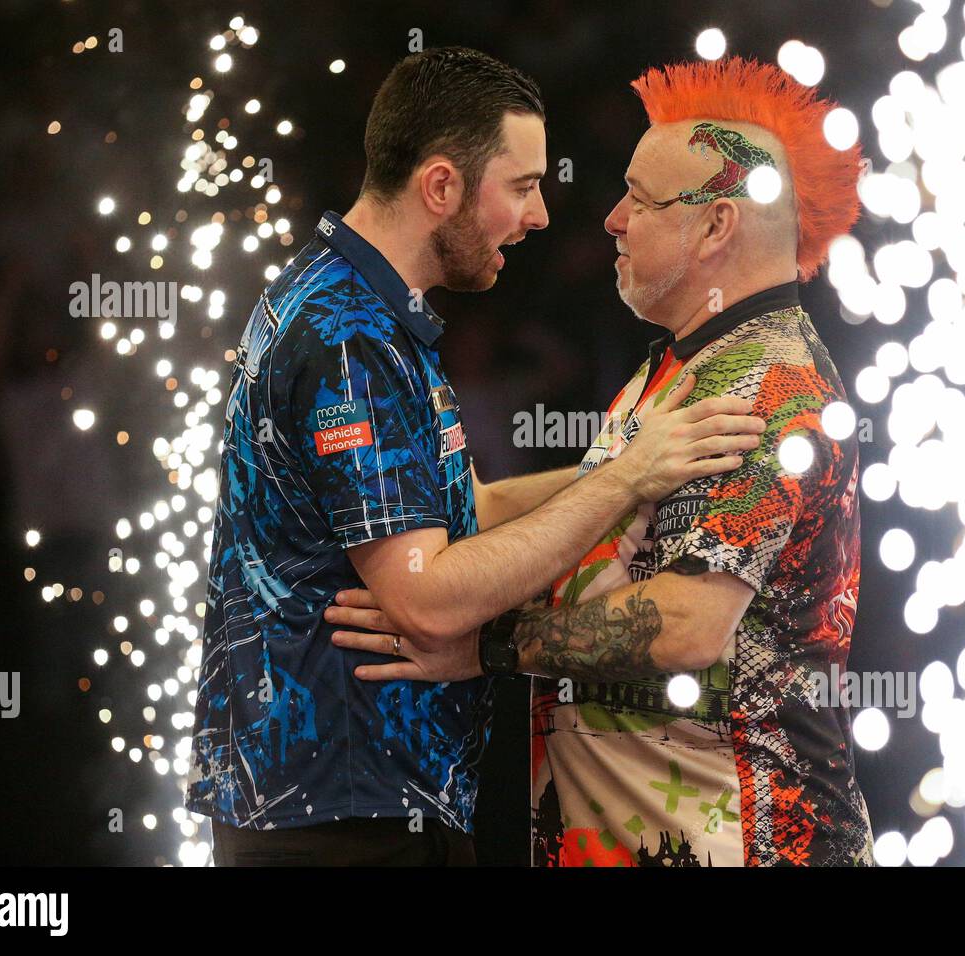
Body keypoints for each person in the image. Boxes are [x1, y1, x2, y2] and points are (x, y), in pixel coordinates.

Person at [186, 46, 764, 866]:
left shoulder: (363, 309)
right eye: (522, 187)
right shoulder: (347, 336)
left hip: (359, 800)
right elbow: (427, 599)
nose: (540, 218)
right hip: (339, 816)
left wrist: (630, 461)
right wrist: (631, 477)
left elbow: (470, 510)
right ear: (442, 187)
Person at [329, 56, 875, 866]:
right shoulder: (687, 364)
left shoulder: (767, 384)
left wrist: (484, 644)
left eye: (640, 201)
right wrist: (443, 512)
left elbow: (690, 623)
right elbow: (598, 497)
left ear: (716, 226)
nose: (612, 219)